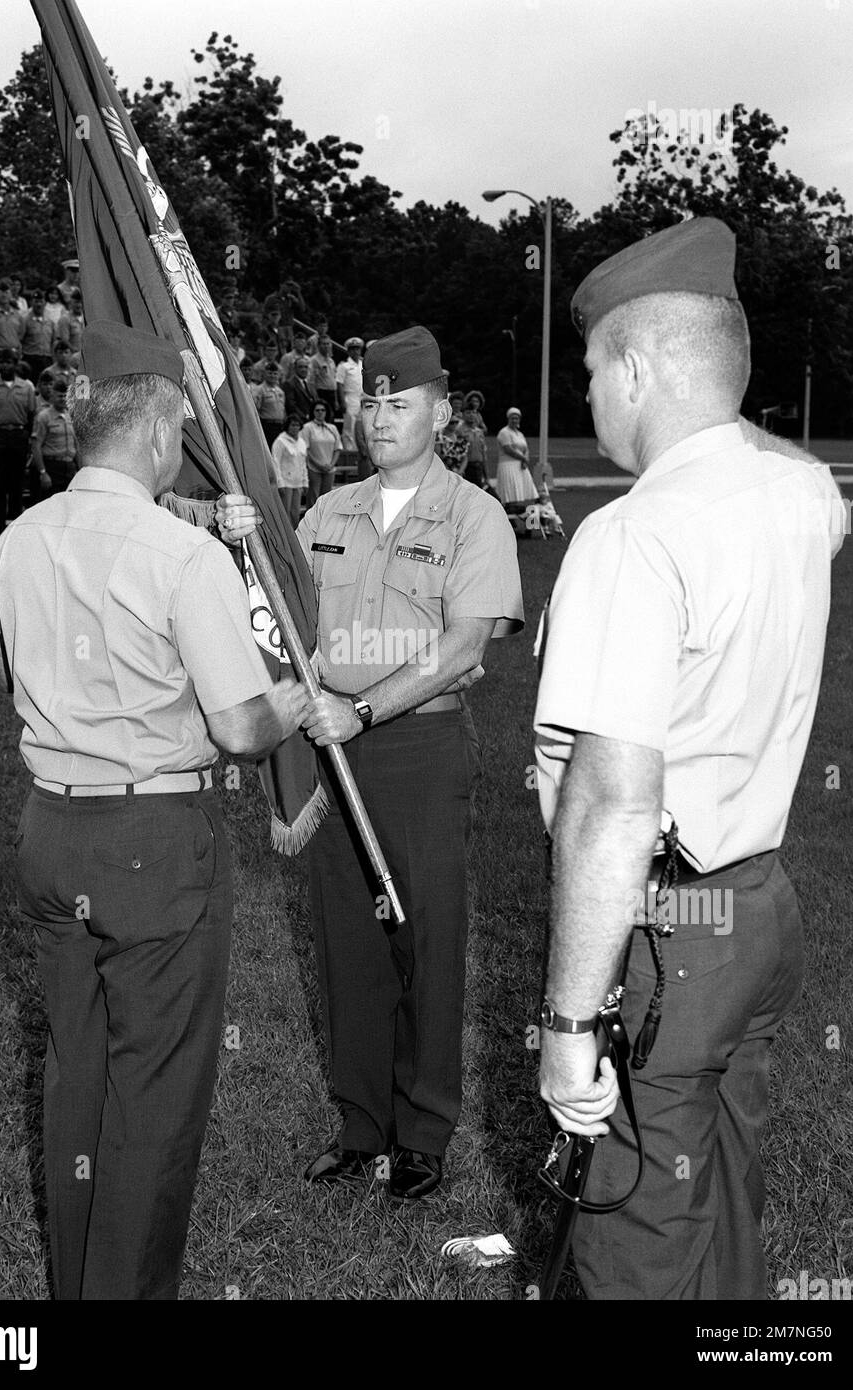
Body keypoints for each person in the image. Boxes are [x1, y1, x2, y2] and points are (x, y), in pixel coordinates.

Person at [533, 217, 846, 1301]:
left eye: (591, 370)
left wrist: (570, 1025)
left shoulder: (633, 535)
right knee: (721, 1195)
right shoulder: (802, 494)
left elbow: (612, 809)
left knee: (635, 1230)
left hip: (668, 930)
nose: (588, 398)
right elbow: (769, 463)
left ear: (636, 364)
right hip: (757, 904)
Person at [0, 321, 305, 1301]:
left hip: (50, 831)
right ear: (163, 429)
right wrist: (291, 699)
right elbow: (245, 725)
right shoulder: (181, 555)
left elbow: (11, 682)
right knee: (152, 1098)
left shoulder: (15, 541)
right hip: (153, 840)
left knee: (77, 1072)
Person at [218, 326, 524, 1200]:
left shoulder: (474, 515)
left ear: (440, 409)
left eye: (399, 403)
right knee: (348, 937)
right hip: (327, 742)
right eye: (370, 402)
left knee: (425, 934)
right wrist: (242, 540)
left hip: (417, 745)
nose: (379, 418)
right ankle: (361, 1127)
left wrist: (361, 709)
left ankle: (423, 1128)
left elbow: (465, 647)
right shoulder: (325, 512)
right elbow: (270, 612)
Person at [0, 349, 36, 537]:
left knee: (17, 486)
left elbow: (32, 416)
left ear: (16, 363)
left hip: (18, 436)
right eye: (2, 362)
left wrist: (28, 441)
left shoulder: (27, 387)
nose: (5, 365)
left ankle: (15, 533)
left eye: (9, 362)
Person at [30, 375, 77, 495]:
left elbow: (77, 446)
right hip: (52, 467)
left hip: (69, 467)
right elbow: (36, 446)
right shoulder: (43, 417)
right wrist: (43, 472)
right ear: (52, 397)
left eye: (64, 396)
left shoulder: (71, 416)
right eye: (59, 396)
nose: (62, 399)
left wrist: (79, 469)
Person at [271, 413, 308, 525]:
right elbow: (275, 462)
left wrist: (305, 482)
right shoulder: (280, 441)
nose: (295, 427)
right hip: (286, 483)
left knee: (295, 513)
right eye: (292, 425)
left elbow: (303, 463)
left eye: (297, 425)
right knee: (285, 512)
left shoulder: (301, 442)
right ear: (287, 426)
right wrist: (280, 483)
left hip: (297, 483)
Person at [301, 400, 341, 502]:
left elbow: (337, 449)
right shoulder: (307, 427)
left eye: (323, 410)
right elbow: (306, 449)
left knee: (327, 499)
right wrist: (318, 464)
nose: (320, 412)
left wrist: (331, 465)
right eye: (317, 410)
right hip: (313, 468)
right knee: (313, 498)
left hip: (329, 469)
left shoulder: (332, 428)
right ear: (313, 412)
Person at [335, 337, 364, 474]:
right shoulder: (344, 366)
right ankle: (350, 457)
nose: (355, 351)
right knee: (349, 429)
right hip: (350, 397)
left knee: (360, 430)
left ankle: (361, 455)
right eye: (352, 349)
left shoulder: (363, 365)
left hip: (362, 398)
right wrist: (342, 401)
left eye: (357, 348)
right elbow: (339, 384)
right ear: (348, 351)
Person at [496, 407, 538, 502]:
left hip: (520, 465)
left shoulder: (520, 434)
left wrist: (525, 459)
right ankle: (509, 507)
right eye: (512, 418)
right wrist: (523, 458)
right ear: (508, 419)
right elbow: (508, 449)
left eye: (517, 418)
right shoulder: (504, 432)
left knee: (522, 488)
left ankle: (521, 508)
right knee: (510, 488)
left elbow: (526, 449)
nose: (514, 420)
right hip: (508, 465)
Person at [21, 289, 56, 382]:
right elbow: (19, 340)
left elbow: (53, 341)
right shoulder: (25, 320)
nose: (39, 304)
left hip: (46, 359)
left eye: (41, 301)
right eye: (36, 301)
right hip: (30, 358)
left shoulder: (50, 321)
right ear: (31, 302)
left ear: (45, 303)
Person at [255, 362, 286, 448]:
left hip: (279, 426)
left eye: (275, 374)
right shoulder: (259, 390)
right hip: (267, 425)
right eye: (270, 373)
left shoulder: (280, 391)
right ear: (265, 374)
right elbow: (256, 410)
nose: (272, 376)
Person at [308, 334, 337, 414]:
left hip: (332, 393)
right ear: (318, 345)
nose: (326, 346)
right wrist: (316, 398)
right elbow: (311, 381)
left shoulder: (331, 361)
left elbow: (334, 380)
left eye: (328, 344)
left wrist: (336, 400)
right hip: (321, 393)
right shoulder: (314, 360)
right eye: (324, 344)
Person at [284, 356, 319, 422]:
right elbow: (291, 406)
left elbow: (316, 401)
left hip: (312, 419)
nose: (303, 370)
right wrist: (305, 416)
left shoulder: (310, 384)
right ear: (295, 369)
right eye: (300, 367)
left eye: (305, 367)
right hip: (298, 420)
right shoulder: (289, 384)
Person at [462, 408, 489, 490]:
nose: (471, 415)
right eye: (468, 412)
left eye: (474, 412)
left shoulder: (479, 432)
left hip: (479, 467)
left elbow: (483, 453)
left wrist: (486, 474)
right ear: (463, 415)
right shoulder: (459, 430)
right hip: (466, 468)